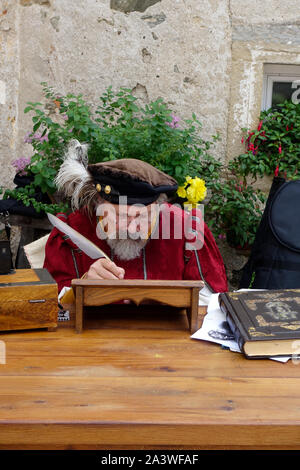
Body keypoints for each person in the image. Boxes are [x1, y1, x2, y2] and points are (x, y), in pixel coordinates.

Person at [43, 140, 228, 302]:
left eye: (142, 216)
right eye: (120, 216)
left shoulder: (188, 230)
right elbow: (50, 300)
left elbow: (212, 301)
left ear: (159, 206)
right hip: (93, 338)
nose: (131, 228)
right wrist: (81, 286)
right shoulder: (72, 231)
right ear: (99, 205)